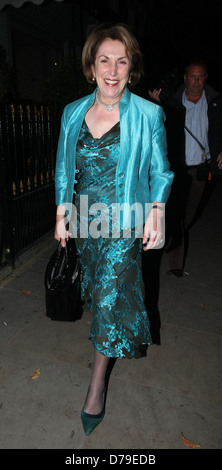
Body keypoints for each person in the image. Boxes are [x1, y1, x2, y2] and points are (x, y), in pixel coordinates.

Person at [54, 23, 174, 436]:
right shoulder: (72, 113)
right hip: (87, 219)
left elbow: (161, 171)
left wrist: (156, 212)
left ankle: (96, 388)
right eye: (104, 59)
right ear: (91, 66)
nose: (112, 69)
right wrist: (60, 215)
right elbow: (63, 169)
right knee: (95, 293)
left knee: (107, 301)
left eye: (121, 61)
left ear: (131, 67)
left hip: (125, 223)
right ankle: (104, 353)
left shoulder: (148, 114)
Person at [148, 60, 222, 277]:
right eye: (192, 76)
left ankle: (172, 238)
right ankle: (175, 264)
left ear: (206, 78)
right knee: (178, 214)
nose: (196, 81)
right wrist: (156, 104)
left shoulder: (215, 102)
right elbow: (154, 126)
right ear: (185, 78)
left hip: (200, 169)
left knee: (189, 214)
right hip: (176, 169)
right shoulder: (172, 101)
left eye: (200, 77)